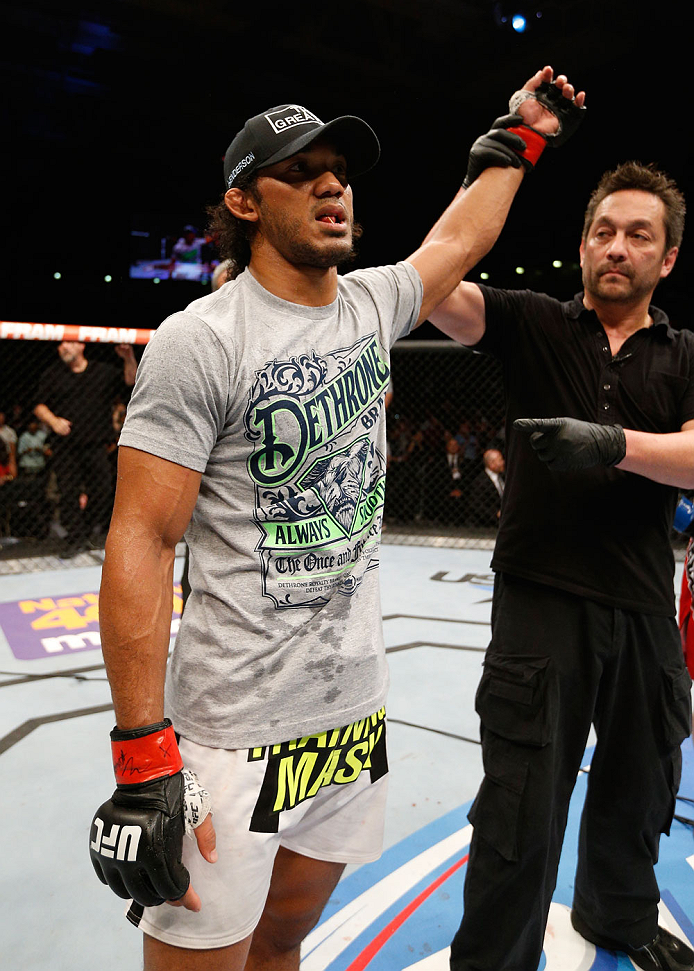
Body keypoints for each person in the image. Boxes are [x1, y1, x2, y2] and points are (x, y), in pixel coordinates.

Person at [90, 68, 584, 971]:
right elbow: (142, 538)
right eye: (301, 170)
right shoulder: (202, 339)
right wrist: (142, 755)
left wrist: (523, 137)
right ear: (244, 200)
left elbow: (459, 237)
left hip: (349, 715)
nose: (332, 184)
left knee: (285, 938)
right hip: (234, 727)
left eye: (340, 170)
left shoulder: (372, 305)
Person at [431, 161, 694, 971]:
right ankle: (496, 962)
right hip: (541, 600)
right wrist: (496, 163)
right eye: (603, 232)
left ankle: (619, 916)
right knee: (520, 802)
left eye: (638, 235)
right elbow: (429, 285)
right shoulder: (535, 321)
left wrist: (614, 445)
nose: (617, 247)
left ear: (668, 256)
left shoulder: (684, 353)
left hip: (646, 603)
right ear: (582, 245)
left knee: (640, 786)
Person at [34, 340, 137, 556]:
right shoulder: (53, 374)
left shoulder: (102, 371)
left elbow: (131, 380)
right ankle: (75, 539)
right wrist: (53, 421)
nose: (63, 348)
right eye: (60, 344)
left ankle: (88, 531)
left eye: (68, 343)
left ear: (81, 345)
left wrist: (128, 357)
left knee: (102, 490)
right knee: (68, 493)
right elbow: (39, 405)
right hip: (65, 446)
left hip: (95, 443)